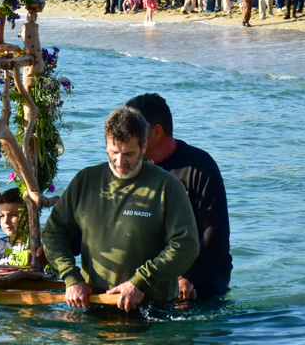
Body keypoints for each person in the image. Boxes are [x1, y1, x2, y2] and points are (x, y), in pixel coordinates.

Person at [42, 106, 199, 311]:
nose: (120, 162)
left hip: (151, 308)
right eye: (114, 152)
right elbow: (53, 233)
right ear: (106, 145)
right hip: (95, 304)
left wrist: (140, 282)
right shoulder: (85, 181)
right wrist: (71, 277)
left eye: (129, 154)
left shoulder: (167, 187)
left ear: (144, 147)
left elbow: (186, 245)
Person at [126, 93, 232, 301]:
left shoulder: (200, 167)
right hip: (153, 274)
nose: (130, 140)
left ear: (157, 132)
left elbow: (216, 234)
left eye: (136, 133)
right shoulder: (133, 167)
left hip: (203, 277)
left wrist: (190, 277)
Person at [0, 188, 29, 267]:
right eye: (2, 216)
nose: (6, 221)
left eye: (13, 215)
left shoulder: (34, 246)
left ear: (27, 216)